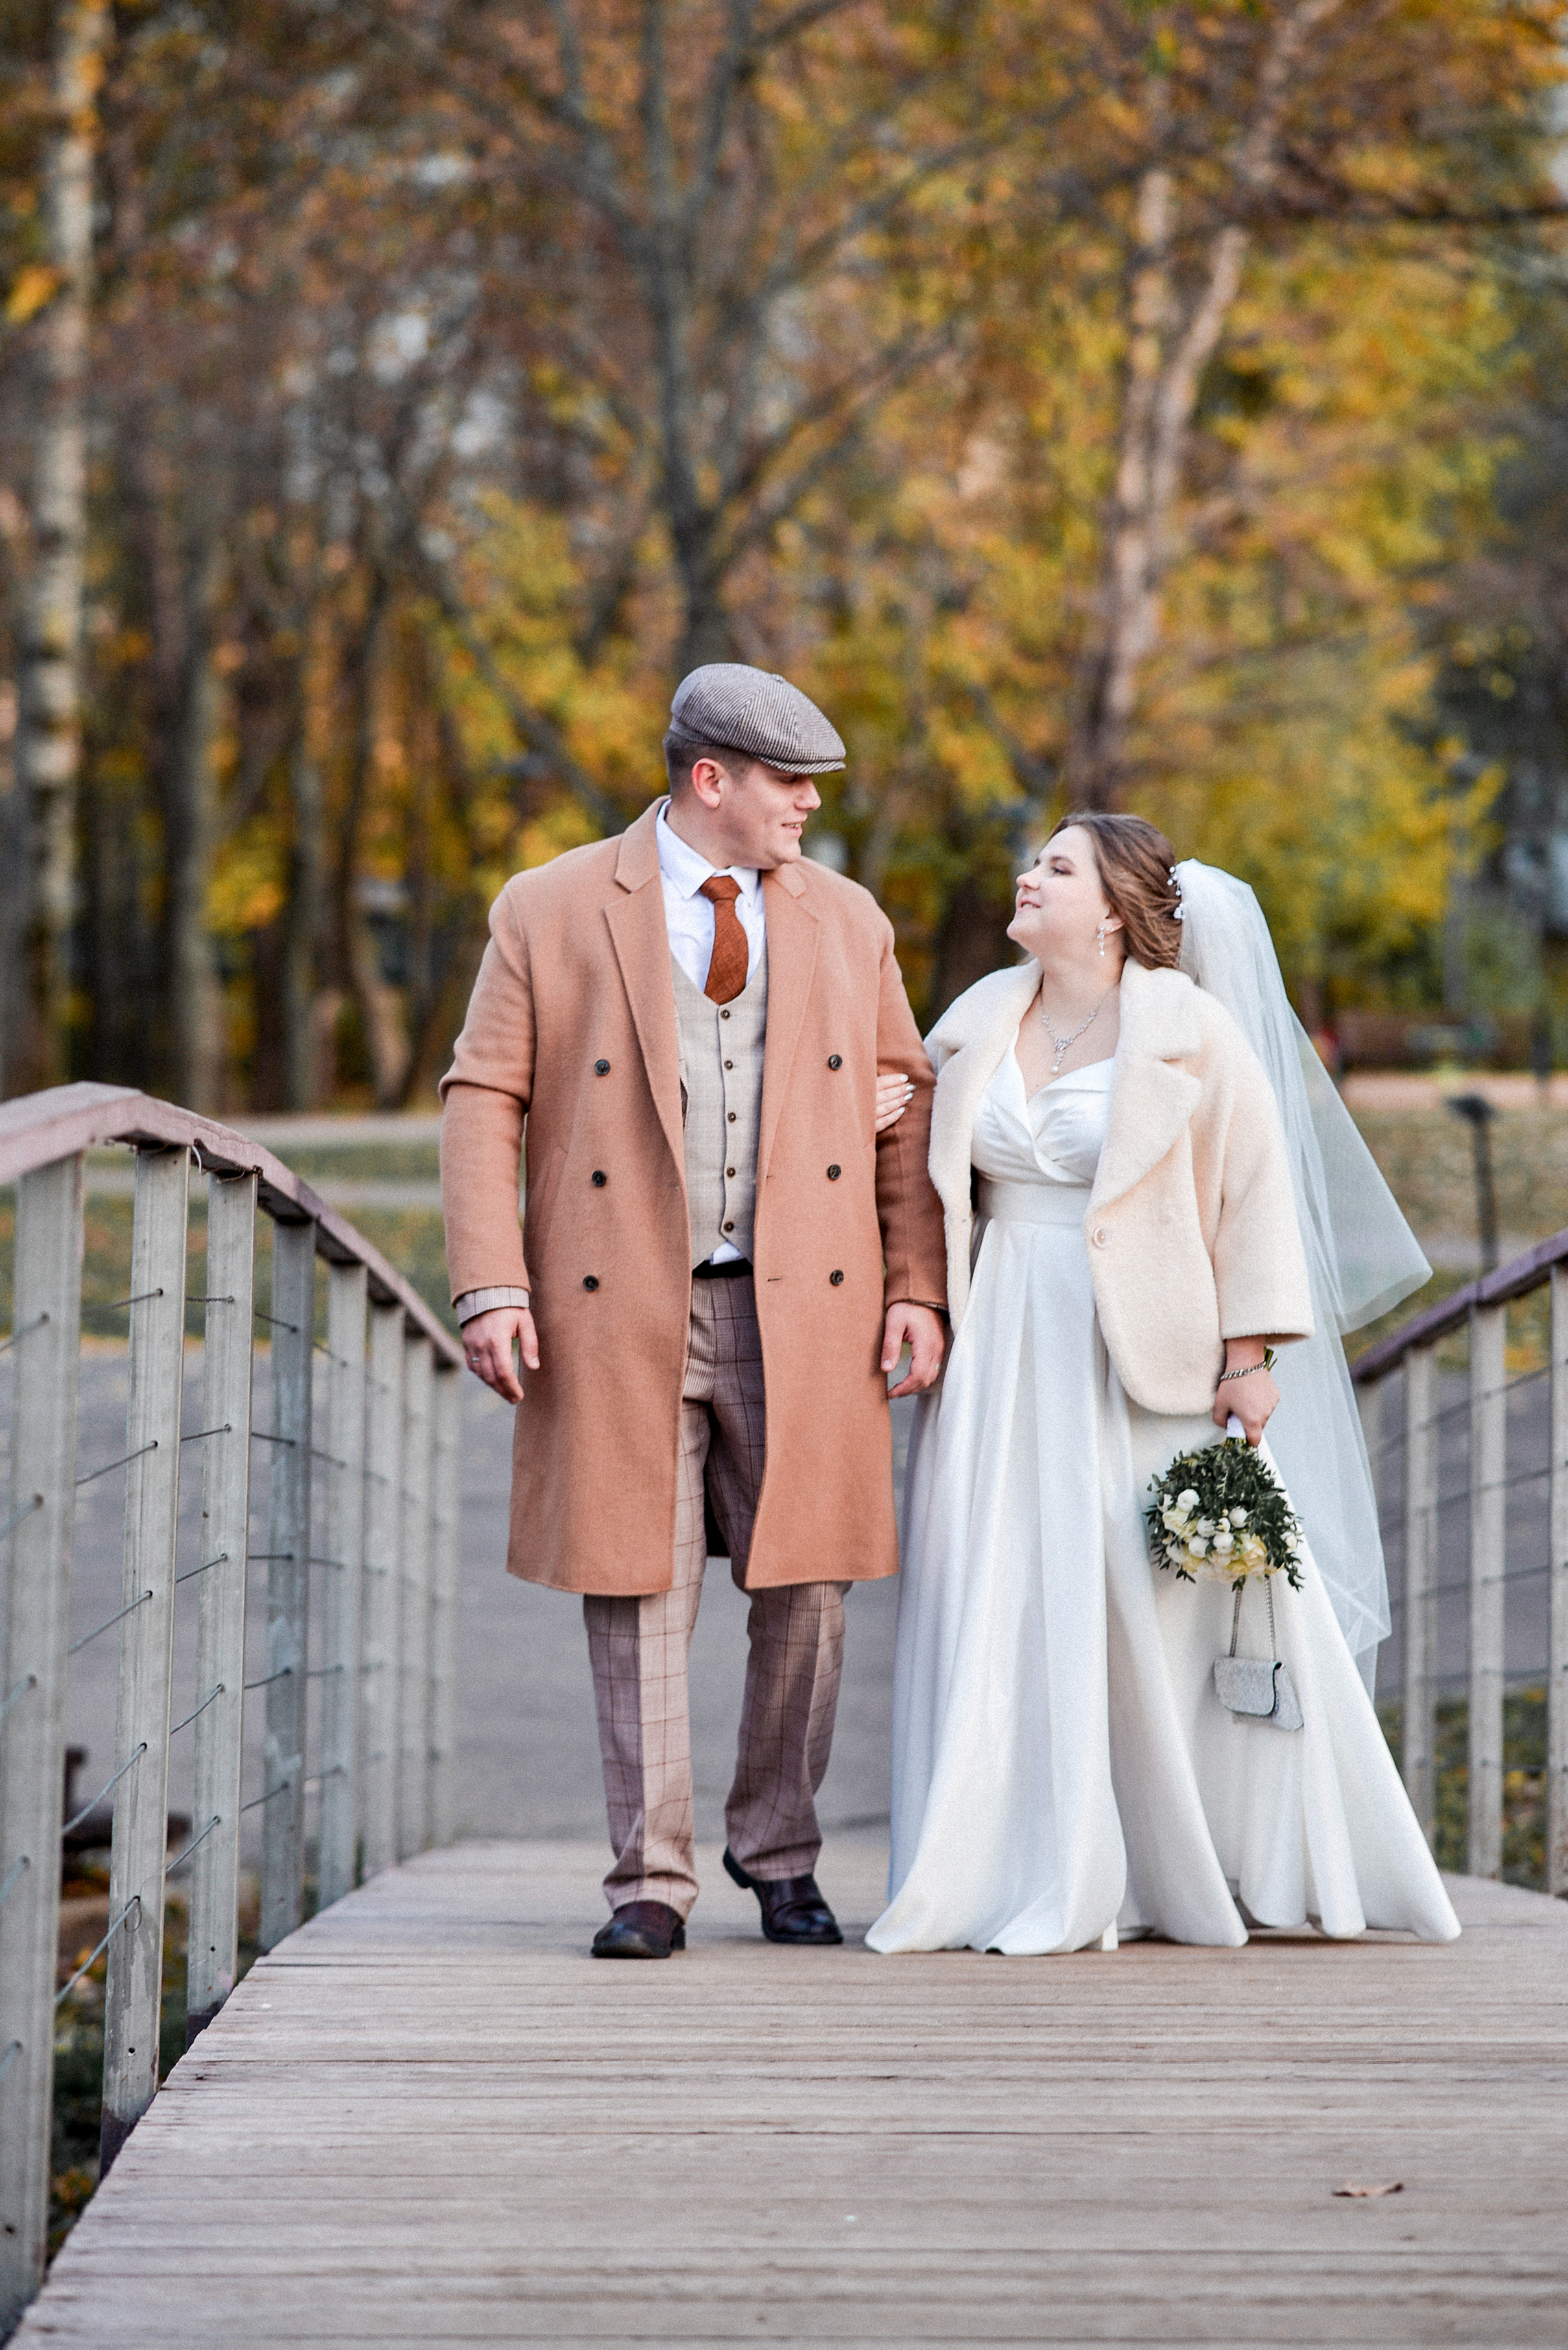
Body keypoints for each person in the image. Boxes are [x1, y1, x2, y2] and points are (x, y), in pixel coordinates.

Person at [866, 811, 1458, 1955]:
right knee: (995, 1580)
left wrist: (1248, 1358)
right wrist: (877, 1116)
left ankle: (1168, 1860)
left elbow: (1252, 1199)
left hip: (1144, 1351)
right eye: (1032, 862)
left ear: (1112, 906)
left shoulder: (1193, 1033)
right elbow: (919, 1163)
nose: (1027, 879)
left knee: (1151, 1603)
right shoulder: (975, 1017)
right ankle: (993, 1858)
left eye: (1056, 868)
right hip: (999, 1345)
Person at [440, 663, 948, 1960]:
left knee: (810, 1590)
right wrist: (492, 1280)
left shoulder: (848, 921)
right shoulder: (551, 906)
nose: (808, 810)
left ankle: (778, 1852)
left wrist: (915, 1287)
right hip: (618, 1310)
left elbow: (906, 1110)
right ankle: (650, 1884)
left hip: (809, 1312)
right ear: (708, 778)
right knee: (636, 1586)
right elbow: (482, 1095)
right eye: (789, 784)